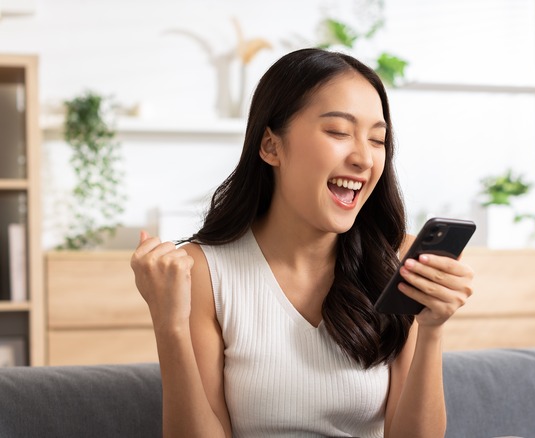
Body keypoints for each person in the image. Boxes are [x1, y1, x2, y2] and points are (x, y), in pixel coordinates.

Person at [130, 48, 474, 438]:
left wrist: (431, 329)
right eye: (338, 132)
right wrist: (169, 326)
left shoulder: (394, 260)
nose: (364, 158)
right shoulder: (205, 271)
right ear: (271, 146)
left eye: (378, 139)